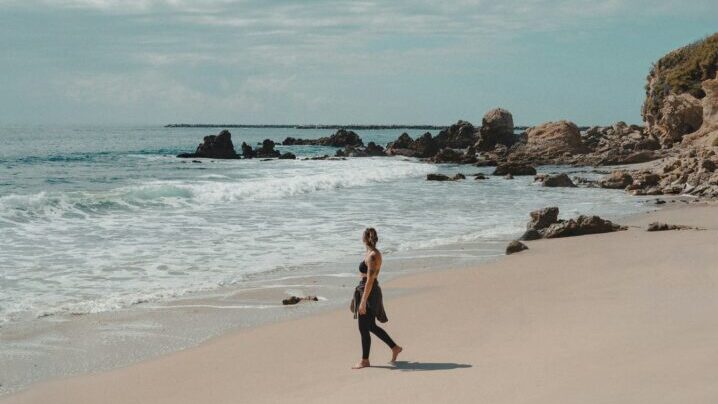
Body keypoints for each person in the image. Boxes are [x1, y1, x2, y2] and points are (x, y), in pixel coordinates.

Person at [352, 227, 402, 369]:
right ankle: (394, 347)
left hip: (369, 293)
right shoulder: (370, 253)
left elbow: (370, 280)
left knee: (364, 327)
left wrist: (362, 302)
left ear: (364, 239)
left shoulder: (373, 256)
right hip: (366, 291)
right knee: (370, 326)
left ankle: (365, 360)